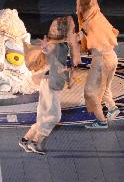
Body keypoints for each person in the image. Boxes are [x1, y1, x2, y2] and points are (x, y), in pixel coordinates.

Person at [20, 16, 81, 155]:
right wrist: (46, 50)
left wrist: (67, 75)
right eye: (72, 29)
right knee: (54, 116)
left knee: (43, 115)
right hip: (49, 83)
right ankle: (35, 142)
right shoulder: (55, 45)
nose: (74, 31)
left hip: (48, 81)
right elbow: (49, 53)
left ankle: (25, 140)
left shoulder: (63, 44)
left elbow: (60, 63)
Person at [76, 0, 120, 129]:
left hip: (101, 60)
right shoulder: (98, 14)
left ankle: (101, 121)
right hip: (112, 57)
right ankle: (113, 108)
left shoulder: (87, 23)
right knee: (104, 88)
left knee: (90, 91)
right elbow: (113, 32)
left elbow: (82, 45)